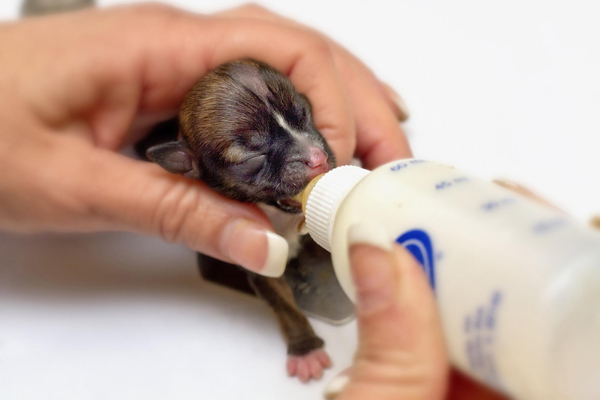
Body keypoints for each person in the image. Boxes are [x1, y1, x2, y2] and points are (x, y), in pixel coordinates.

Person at [0, 4, 508, 399]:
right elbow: (263, 274)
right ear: (184, 164)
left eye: (302, 114)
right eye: (249, 154)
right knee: (265, 262)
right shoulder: (181, 168)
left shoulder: (297, 150)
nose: (313, 153)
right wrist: (302, 339)